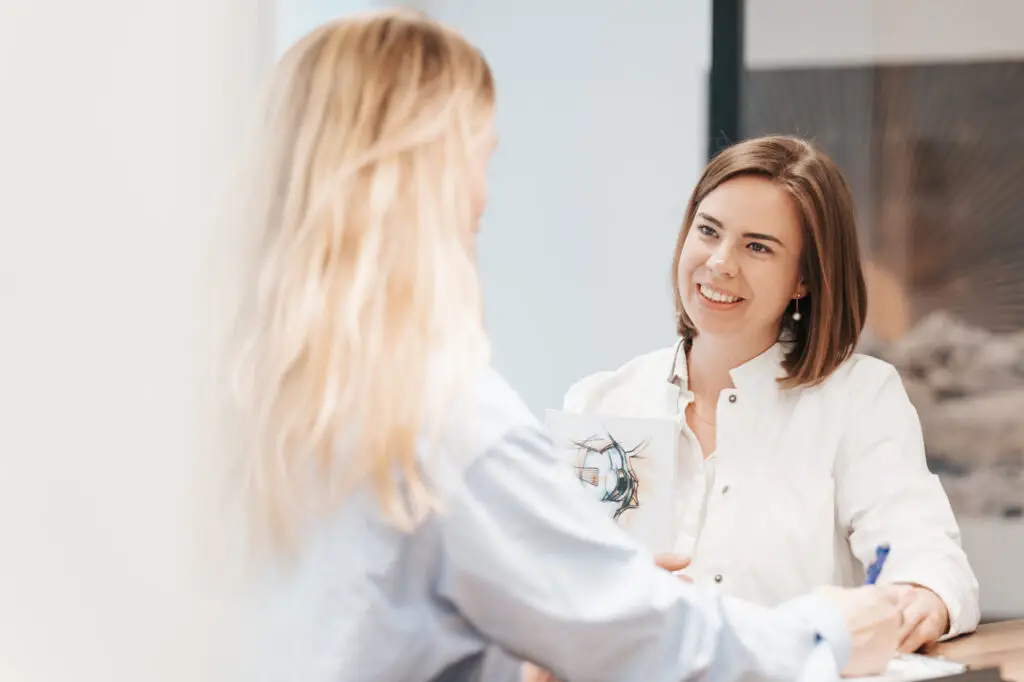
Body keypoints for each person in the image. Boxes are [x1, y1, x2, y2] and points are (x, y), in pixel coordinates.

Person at [230, 12, 905, 682]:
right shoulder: (445, 418)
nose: (482, 198)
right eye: (479, 160)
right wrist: (827, 631)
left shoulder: (248, 389)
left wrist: (578, 605)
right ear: (422, 172)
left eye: (758, 247)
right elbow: (649, 641)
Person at [560, 135, 981, 657]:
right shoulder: (599, 403)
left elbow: (929, 560)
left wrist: (920, 596)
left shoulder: (859, 398)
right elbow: (547, 586)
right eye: (708, 231)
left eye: (757, 246)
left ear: (803, 278)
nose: (719, 263)